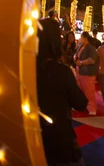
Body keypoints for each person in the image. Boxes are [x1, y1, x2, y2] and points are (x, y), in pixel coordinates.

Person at [37, 18, 88, 166]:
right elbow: (80, 103)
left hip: (32, 135)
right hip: (59, 137)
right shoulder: (62, 71)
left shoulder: (26, 69)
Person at [74, 32, 98, 115]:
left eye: (81, 37)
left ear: (85, 38)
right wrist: (75, 58)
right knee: (81, 91)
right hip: (79, 72)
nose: (80, 39)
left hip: (88, 73)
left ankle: (92, 108)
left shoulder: (90, 48)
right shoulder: (81, 46)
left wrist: (81, 62)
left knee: (88, 91)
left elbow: (92, 59)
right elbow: (76, 55)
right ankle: (83, 106)